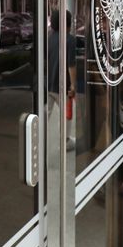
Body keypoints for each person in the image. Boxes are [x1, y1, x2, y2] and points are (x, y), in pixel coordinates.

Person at [47, 9, 77, 151]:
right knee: (67, 115)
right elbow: (71, 65)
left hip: (48, 85)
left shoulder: (49, 38)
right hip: (63, 86)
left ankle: (37, 140)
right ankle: (65, 142)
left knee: (45, 115)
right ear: (68, 24)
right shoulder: (70, 40)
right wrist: (73, 85)